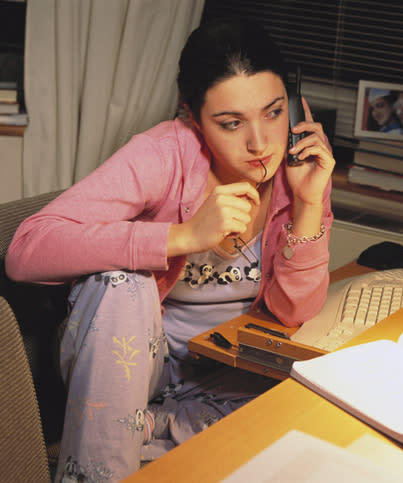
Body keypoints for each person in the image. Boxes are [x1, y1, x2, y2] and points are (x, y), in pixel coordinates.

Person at [6, 18, 335, 482]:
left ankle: (151, 430)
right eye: (231, 123)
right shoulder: (162, 153)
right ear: (192, 118)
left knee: (313, 417)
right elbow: (26, 250)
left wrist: (306, 204)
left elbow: (292, 310)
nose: (260, 143)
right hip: (139, 364)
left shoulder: (300, 168)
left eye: (274, 112)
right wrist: (181, 236)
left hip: (226, 371)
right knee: (119, 281)